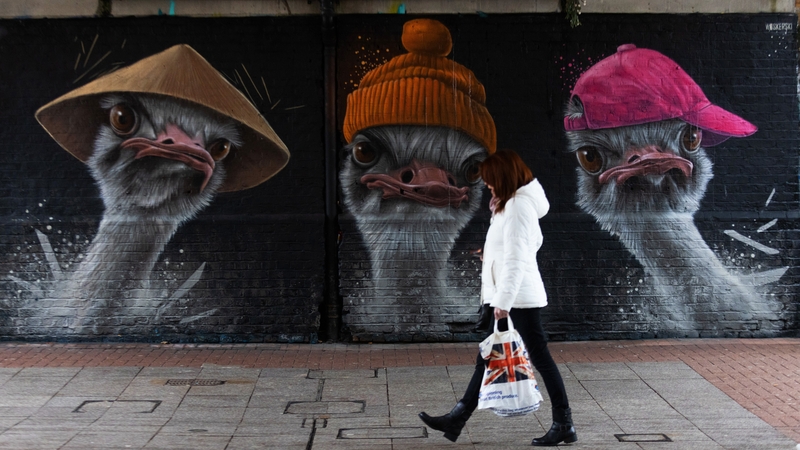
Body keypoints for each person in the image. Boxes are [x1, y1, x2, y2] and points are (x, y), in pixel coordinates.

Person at [418, 150, 577, 446]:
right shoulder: (510, 204)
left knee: (539, 357)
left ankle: (563, 422)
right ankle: (458, 417)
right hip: (508, 293)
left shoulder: (517, 206)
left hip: (516, 298)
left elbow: (518, 257)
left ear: (503, 178)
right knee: (488, 355)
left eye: (491, 182)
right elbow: (528, 244)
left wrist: (503, 302)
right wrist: (490, 256)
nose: (488, 187)